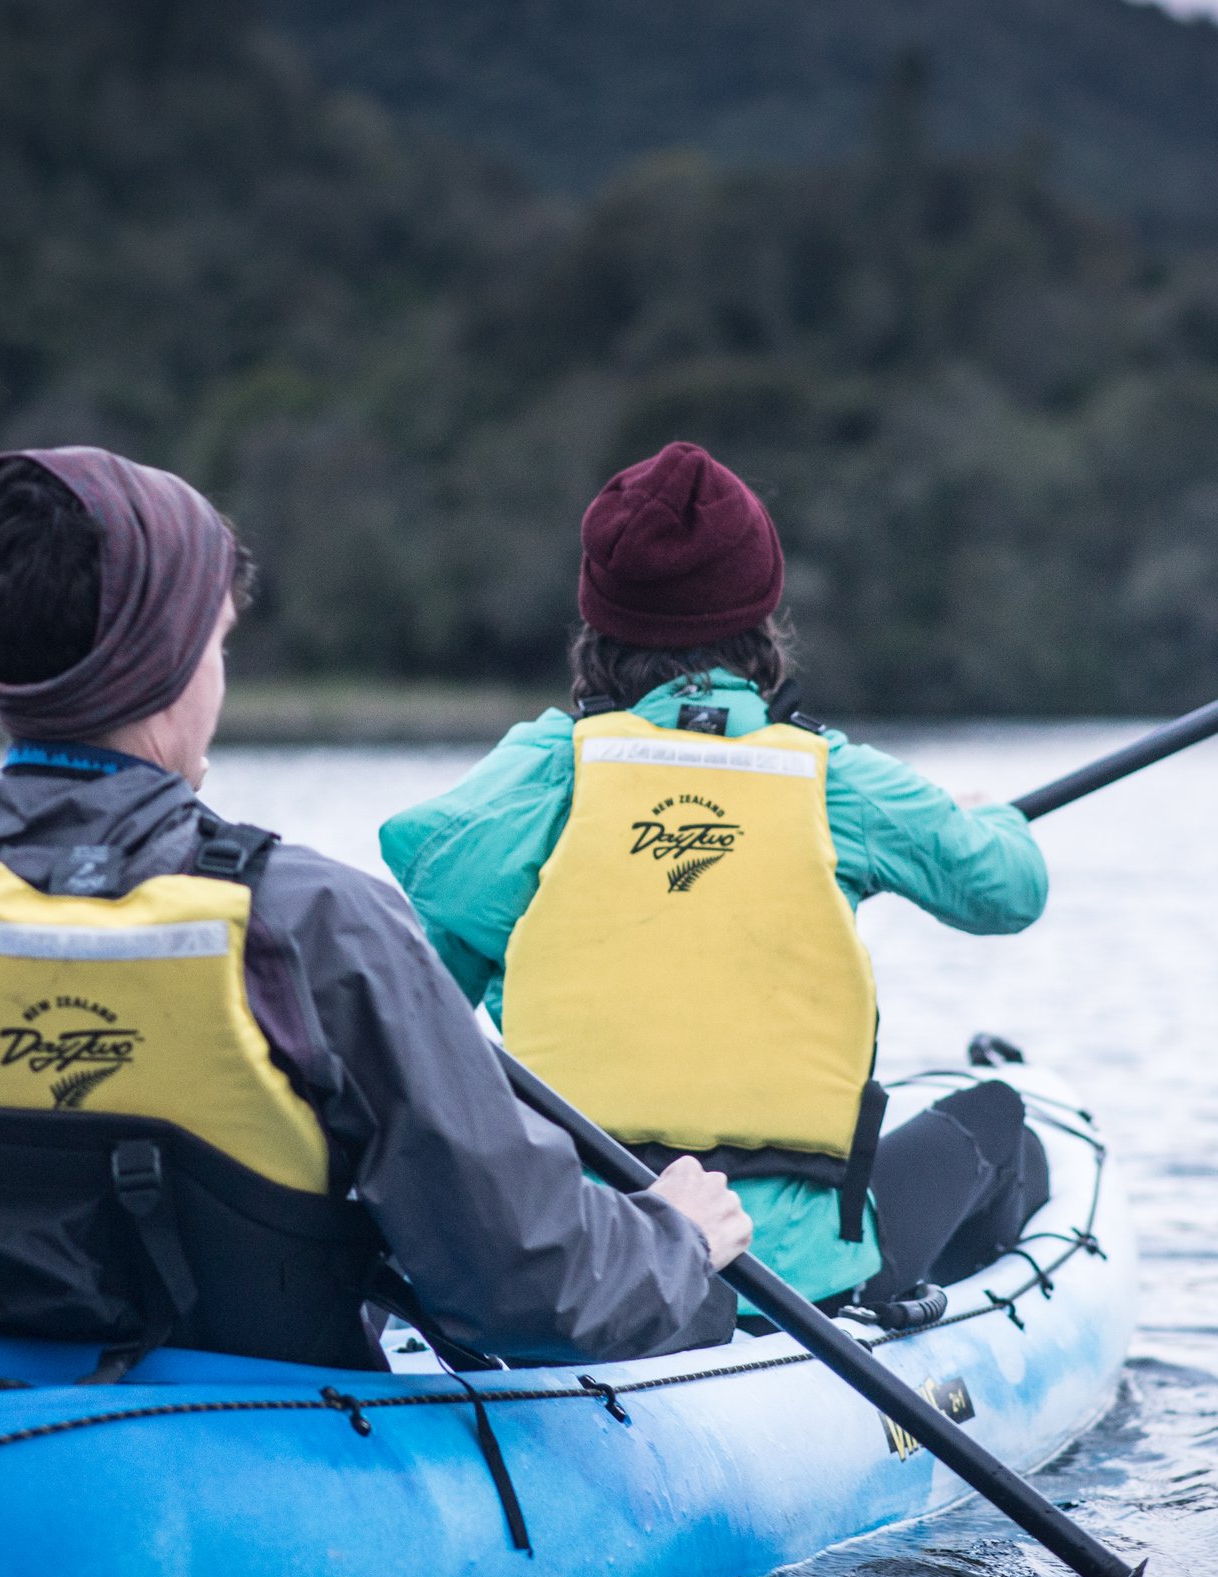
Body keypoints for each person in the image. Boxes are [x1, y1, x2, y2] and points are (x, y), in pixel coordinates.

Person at [0, 446, 749, 1377]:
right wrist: (673, 1238)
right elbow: (526, 1289)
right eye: (214, 645)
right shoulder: (315, 923)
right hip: (249, 1436)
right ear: (167, 667)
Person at [380, 442, 1051, 1318]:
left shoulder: (531, 786)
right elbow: (1010, 887)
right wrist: (981, 817)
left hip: (583, 1267)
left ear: (599, 629)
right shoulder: (830, 781)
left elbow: (410, 1022)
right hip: (795, 1278)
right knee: (1002, 1124)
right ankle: (934, 1328)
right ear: (761, 625)